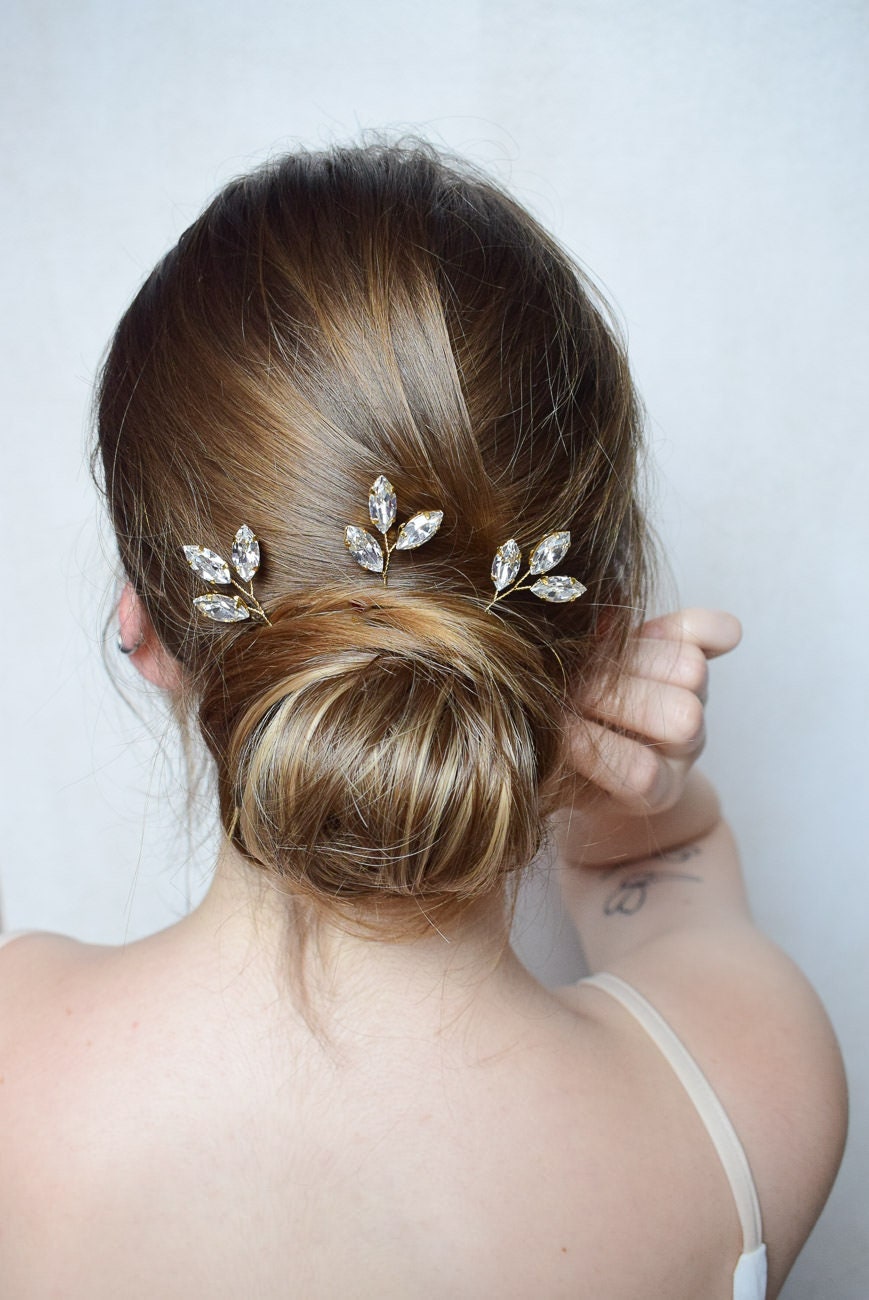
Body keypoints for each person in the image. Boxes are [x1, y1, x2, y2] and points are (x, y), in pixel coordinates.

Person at [0, 141, 846, 1299]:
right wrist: (628, 793)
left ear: (145, 630)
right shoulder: (742, 1101)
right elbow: (672, 860)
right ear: (597, 639)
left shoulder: (16, 1058)